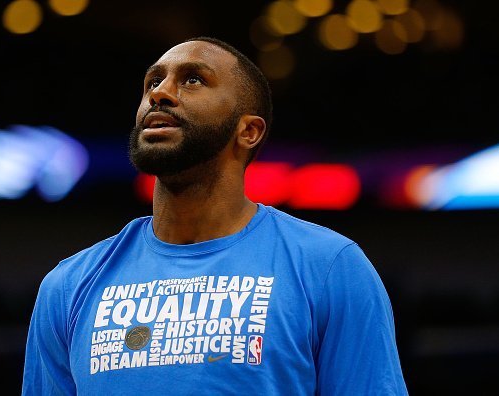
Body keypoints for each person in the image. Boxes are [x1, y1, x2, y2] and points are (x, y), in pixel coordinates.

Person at [22, 37, 408, 395]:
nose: (159, 93)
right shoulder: (68, 285)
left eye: (192, 80)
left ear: (249, 131)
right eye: (153, 81)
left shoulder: (330, 267)